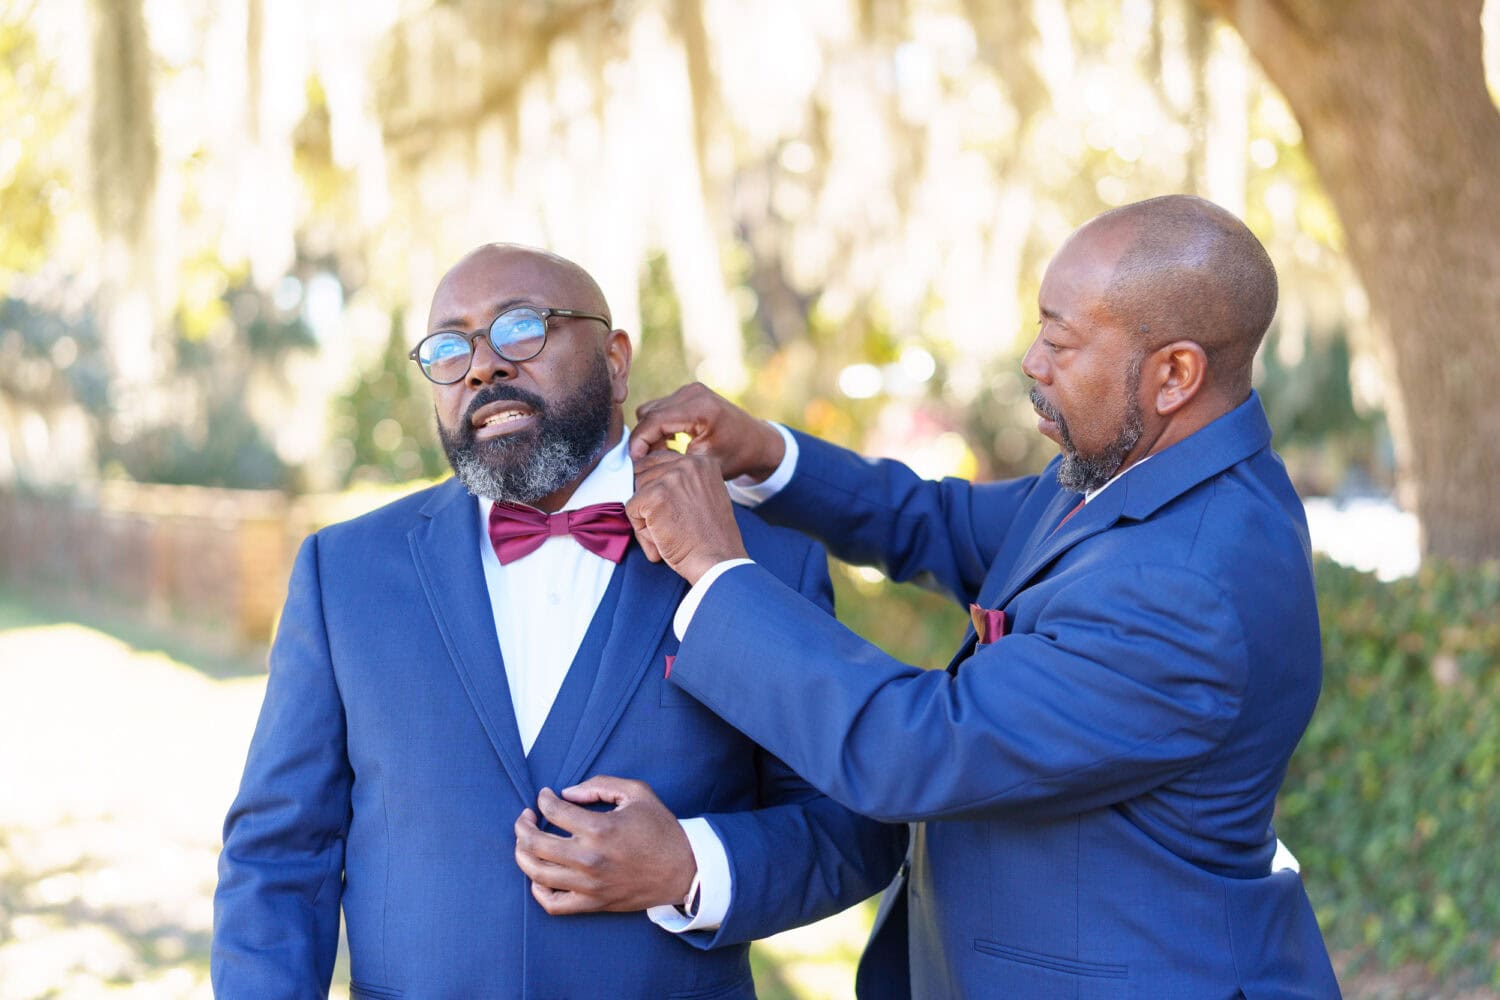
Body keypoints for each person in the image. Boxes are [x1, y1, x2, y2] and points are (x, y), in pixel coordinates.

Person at [613, 195, 1341, 997]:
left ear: (1175, 374)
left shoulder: (1185, 590)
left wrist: (716, 571)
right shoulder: (1141, 472)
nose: (1033, 361)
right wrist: (766, 456)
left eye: (1061, 340)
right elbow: (942, 522)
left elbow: (915, 748)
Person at [211, 243, 904, 999]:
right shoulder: (344, 572)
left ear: (614, 361)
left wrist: (689, 864)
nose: (482, 367)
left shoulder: (759, 561)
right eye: (450, 348)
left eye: (520, 329)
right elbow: (278, 856)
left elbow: (854, 828)